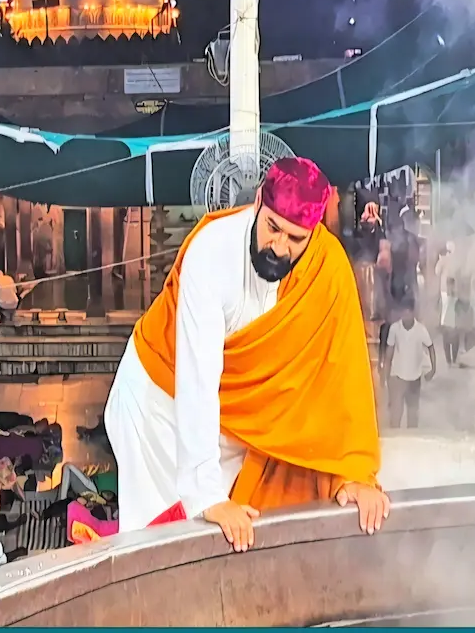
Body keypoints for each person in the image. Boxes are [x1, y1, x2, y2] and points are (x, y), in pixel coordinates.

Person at [104, 156, 388, 552]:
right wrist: (206, 496)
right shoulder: (210, 255)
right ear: (258, 202)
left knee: (227, 533)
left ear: (314, 233)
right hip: (159, 404)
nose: (278, 246)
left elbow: (344, 377)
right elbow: (197, 383)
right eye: (272, 228)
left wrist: (353, 472)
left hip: (236, 422)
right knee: (162, 539)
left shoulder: (327, 269)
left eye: (295, 239)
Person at [383, 298, 436, 428]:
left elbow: (431, 347)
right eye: (403, 312)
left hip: (415, 377)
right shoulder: (394, 328)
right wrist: (386, 376)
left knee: (413, 415)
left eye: (408, 312)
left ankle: (412, 442)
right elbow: (389, 354)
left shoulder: (421, 329)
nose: (406, 315)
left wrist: (433, 369)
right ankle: (395, 440)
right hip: (397, 377)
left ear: (413, 313)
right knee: (396, 414)